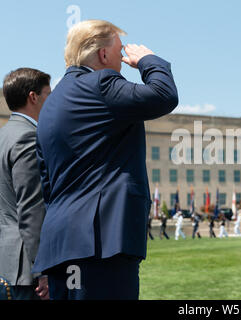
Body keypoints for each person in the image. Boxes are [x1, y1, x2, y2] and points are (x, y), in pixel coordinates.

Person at [31, 20, 178, 300]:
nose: (123, 61)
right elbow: (163, 95)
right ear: (103, 55)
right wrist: (148, 60)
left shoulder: (50, 104)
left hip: (62, 245)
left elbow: (47, 184)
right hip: (101, 242)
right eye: (120, 52)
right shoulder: (101, 83)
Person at [0, 68, 51, 300]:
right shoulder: (27, 137)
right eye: (47, 96)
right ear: (33, 97)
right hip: (23, 270)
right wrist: (42, 269)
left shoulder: (4, 136)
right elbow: (31, 208)